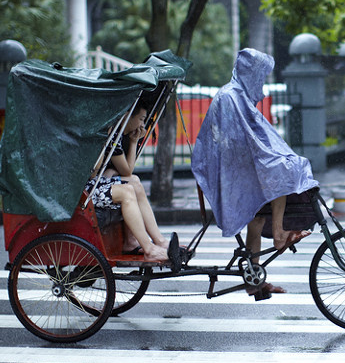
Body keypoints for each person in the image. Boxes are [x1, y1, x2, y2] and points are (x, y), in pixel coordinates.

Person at [191, 48, 319, 297]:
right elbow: (245, 137)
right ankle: (280, 233)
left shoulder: (237, 95)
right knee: (282, 172)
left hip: (236, 164)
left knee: (257, 220)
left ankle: (255, 282)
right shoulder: (231, 96)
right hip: (228, 170)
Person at [85, 98, 175, 264]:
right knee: (127, 191)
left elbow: (128, 171)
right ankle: (149, 249)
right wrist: (104, 144)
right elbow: (95, 171)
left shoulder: (115, 134)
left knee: (134, 182)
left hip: (95, 183)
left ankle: (156, 241)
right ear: (128, 115)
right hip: (83, 190)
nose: (142, 124)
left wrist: (133, 142)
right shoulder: (106, 132)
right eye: (140, 119)